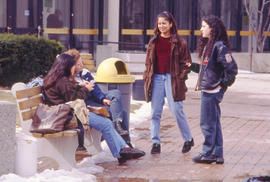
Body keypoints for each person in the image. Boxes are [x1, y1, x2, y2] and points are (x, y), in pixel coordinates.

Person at [42, 53, 145, 164]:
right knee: (105, 124)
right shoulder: (62, 81)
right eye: (73, 65)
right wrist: (86, 89)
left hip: (67, 113)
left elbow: (68, 94)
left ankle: (122, 151)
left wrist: (79, 86)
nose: (74, 68)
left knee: (106, 122)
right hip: (69, 116)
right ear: (66, 66)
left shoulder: (56, 79)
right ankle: (121, 151)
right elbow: (74, 98)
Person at [143, 11, 194, 154]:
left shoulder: (180, 42)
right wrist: (147, 76)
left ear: (171, 24)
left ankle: (188, 139)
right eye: (159, 23)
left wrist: (180, 77)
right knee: (155, 113)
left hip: (173, 79)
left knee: (177, 110)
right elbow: (148, 63)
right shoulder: (153, 42)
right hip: (157, 79)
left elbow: (186, 62)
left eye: (164, 23)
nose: (162, 26)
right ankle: (155, 143)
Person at [189, 15, 238, 164]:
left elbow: (232, 69)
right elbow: (209, 70)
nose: (201, 29)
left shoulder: (219, 46)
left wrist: (221, 86)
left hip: (212, 92)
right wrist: (191, 66)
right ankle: (217, 154)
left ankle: (208, 153)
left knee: (207, 123)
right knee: (214, 123)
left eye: (204, 26)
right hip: (209, 89)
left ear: (212, 29)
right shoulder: (210, 46)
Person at [64, 49, 134, 148]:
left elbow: (96, 88)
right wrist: (82, 87)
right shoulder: (69, 79)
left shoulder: (85, 73)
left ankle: (118, 124)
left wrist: (102, 99)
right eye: (79, 64)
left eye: (81, 62)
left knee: (116, 93)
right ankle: (127, 144)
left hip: (96, 99)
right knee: (123, 111)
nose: (82, 65)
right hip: (88, 104)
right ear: (72, 65)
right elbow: (76, 98)